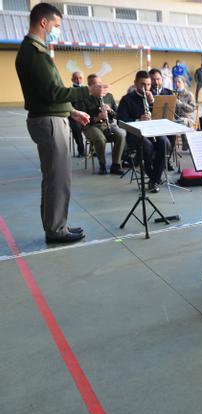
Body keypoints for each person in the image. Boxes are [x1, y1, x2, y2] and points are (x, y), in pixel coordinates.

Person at [15, 3, 99, 244]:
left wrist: (72, 112)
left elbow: (47, 95)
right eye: (56, 26)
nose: (57, 31)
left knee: (54, 177)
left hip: (51, 118)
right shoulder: (34, 53)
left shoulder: (35, 50)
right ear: (44, 23)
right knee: (58, 178)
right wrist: (87, 91)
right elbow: (53, 92)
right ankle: (56, 230)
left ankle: (56, 225)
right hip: (48, 123)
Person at [117, 71, 171, 193]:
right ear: (135, 83)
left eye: (148, 84)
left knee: (165, 144)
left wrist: (153, 103)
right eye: (142, 84)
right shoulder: (126, 99)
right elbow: (120, 120)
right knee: (147, 147)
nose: (146, 87)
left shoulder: (152, 97)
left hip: (153, 131)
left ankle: (154, 179)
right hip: (135, 133)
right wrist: (138, 119)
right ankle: (154, 179)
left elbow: (163, 117)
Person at [80, 74, 126, 175]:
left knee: (121, 134)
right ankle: (102, 164)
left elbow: (117, 114)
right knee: (100, 139)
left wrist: (110, 110)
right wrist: (97, 118)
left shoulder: (109, 96)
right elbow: (82, 119)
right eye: (97, 85)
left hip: (108, 124)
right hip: (91, 126)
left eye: (101, 83)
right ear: (90, 86)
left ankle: (116, 164)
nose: (101, 87)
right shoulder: (84, 98)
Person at [69, 71, 86, 157]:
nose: (78, 80)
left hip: (86, 117)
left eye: (80, 78)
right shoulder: (70, 92)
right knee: (76, 127)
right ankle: (81, 150)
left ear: (83, 79)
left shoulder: (87, 91)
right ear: (72, 80)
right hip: (75, 118)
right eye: (76, 78)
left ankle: (93, 150)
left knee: (95, 125)